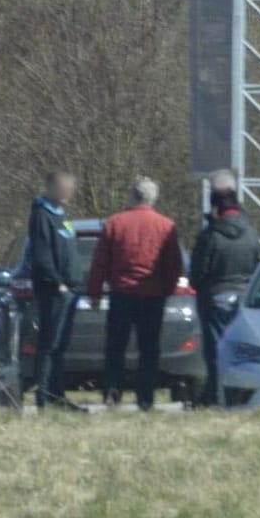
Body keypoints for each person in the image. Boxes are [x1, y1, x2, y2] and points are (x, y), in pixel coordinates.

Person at [85, 176, 184, 410]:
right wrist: (167, 289)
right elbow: (173, 264)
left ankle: (112, 392)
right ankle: (145, 397)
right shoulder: (166, 225)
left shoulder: (115, 223)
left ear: (132, 195)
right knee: (149, 349)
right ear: (153, 198)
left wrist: (95, 293)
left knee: (115, 347)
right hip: (152, 295)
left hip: (122, 293)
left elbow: (100, 262)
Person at [189, 169, 260, 405]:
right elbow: (256, 265)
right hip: (242, 294)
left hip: (215, 296)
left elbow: (198, 272)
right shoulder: (252, 234)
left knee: (215, 350)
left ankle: (216, 394)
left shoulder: (210, 236)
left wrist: (200, 286)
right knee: (242, 348)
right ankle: (240, 393)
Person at [25, 170, 84, 408]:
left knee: (60, 345)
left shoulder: (61, 215)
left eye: (71, 187)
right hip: (53, 291)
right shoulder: (41, 215)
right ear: (50, 187)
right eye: (63, 187)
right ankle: (45, 396)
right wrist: (56, 281)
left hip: (69, 290)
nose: (68, 192)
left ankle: (57, 395)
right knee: (49, 344)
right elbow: (41, 255)